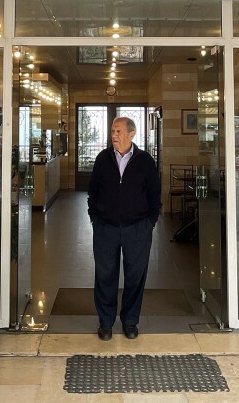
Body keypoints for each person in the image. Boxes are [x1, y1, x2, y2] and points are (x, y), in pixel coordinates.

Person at [87, 117, 161, 340]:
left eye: (118, 131)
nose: (114, 134)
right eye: (112, 131)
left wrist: (150, 223)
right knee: (105, 275)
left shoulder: (145, 161)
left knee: (135, 277)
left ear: (131, 134)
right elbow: (93, 191)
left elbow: (154, 195)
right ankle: (106, 323)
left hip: (137, 229)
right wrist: (95, 218)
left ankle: (130, 322)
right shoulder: (103, 159)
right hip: (106, 228)